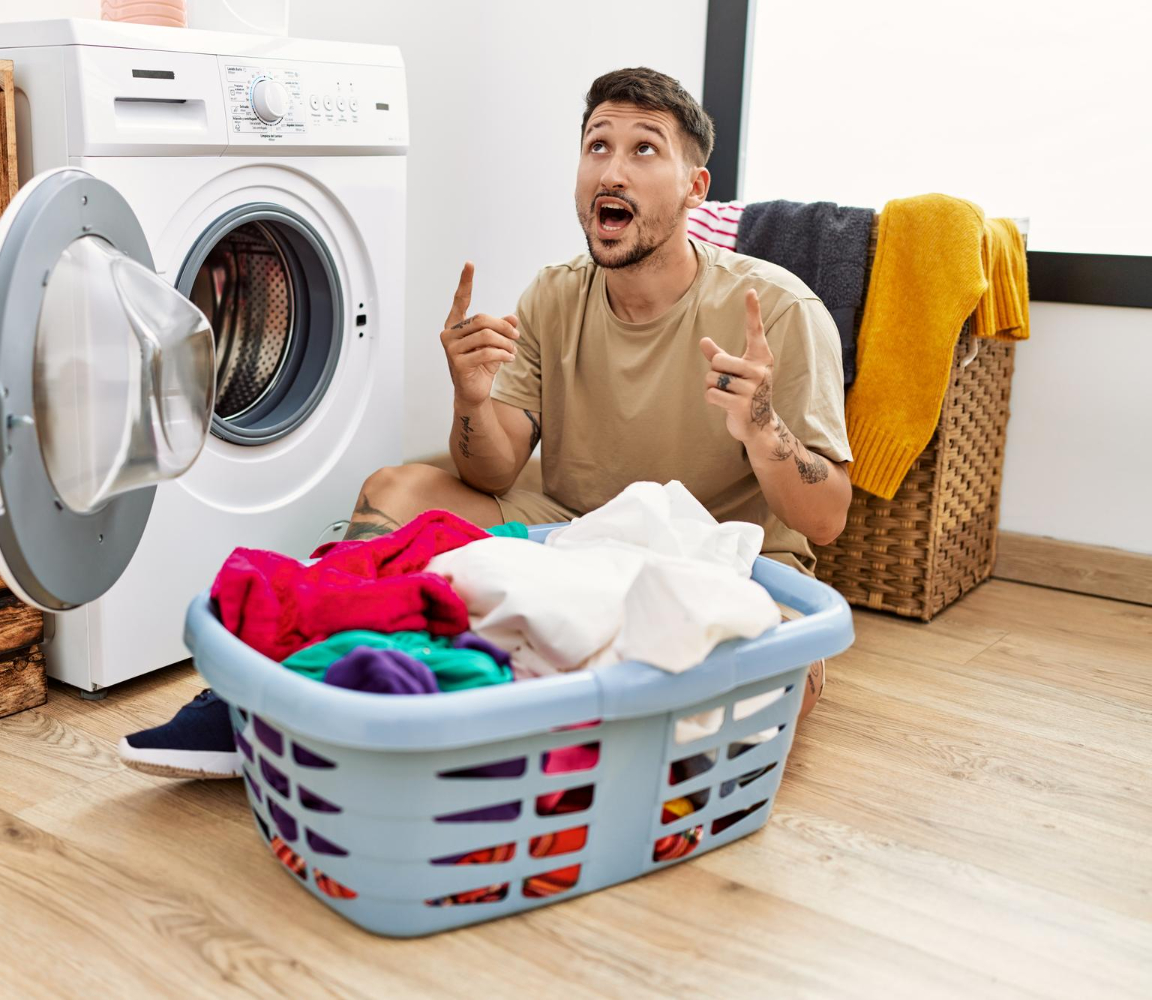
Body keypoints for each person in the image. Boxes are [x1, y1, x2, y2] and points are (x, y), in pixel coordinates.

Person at [118, 67, 851, 779]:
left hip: (724, 560)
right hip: (571, 533)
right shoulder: (555, 295)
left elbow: (824, 520)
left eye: (643, 149)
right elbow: (492, 472)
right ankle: (287, 684)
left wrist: (763, 429)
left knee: (780, 690)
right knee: (398, 490)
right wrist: (471, 399)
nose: (611, 171)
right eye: (597, 145)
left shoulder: (778, 310)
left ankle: (484, 725)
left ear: (695, 187)